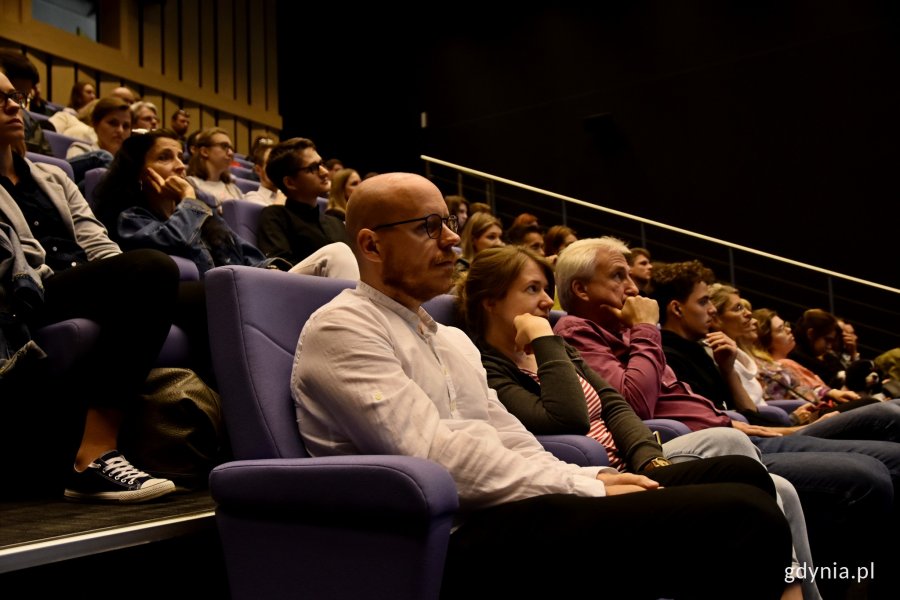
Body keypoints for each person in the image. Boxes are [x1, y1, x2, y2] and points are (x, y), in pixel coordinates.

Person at [292, 172, 793, 600]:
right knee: (743, 516)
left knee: (741, 475)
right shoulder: (344, 327)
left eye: (450, 223)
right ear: (371, 244)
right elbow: (431, 456)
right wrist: (579, 483)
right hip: (441, 534)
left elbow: (509, 436)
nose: (450, 239)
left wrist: (579, 479)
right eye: (429, 227)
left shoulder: (447, 339)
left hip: (508, 506)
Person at [461, 244, 813, 599]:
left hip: (632, 461)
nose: (546, 303)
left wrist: (648, 457)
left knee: (748, 472)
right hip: (589, 473)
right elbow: (567, 417)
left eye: (545, 290)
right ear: (491, 301)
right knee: (749, 509)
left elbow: (614, 404)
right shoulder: (493, 365)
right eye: (532, 289)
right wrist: (543, 339)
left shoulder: (560, 348)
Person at [552, 238, 898, 599]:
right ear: (581, 288)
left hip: (736, 433)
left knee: (883, 442)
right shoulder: (579, 332)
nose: (634, 287)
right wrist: (647, 330)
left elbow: (701, 406)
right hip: (701, 451)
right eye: (618, 276)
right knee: (869, 471)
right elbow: (633, 403)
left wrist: (752, 423)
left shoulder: (626, 332)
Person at [0, 72, 178, 503]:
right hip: (31, 292)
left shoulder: (53, 177)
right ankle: (93, 454)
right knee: (153, 268)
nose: (13, 106)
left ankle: (196, 446)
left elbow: (97, 241)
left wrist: (119, 284)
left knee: (210, 296)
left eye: (14, 96)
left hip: (82, 280)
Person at [93, 129, 283, 276]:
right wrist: (188, 197)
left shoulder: (201, 214)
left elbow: (243, 251)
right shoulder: (130, 218)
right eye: (164, 157)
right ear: (140, 173)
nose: (180, 166)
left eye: (180, 157)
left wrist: (271, 270)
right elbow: (173, 242)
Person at [256, 137, 358, 279]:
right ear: (290, 182)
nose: (324, 172)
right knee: (338, 251)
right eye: (312, 168)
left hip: (348, 293)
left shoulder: (336, 222)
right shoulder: (274, 216)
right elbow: (279, 268)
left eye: (321, 164)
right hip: (303, 293)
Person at [65, 96, 132, 184]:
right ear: (95, 124)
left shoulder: (130, 163)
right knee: (103, 157)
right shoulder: (81, 149)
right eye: (113, 123)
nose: (120, 130)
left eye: (126, 126)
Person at [0, 49, 53, 156]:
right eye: (1, 97)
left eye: (19, 97)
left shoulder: (31, 124)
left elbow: (49, 157)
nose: (15, 105)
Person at [185, 127, 244, 206]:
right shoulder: (190, 185)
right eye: (224, 146)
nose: (230, 153)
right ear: (205, 151)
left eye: (231, 148)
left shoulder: (234, 189)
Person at [454, 210, 503, 276]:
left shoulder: (499, 266)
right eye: (491, 237)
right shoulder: (461, 269)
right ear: (473, 240)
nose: (499, 243)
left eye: (500, 237)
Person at [243, 137, 285, 206]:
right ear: (258, 170)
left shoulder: (290, 195)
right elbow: (272, 216)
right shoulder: (253, 197)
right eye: (271, 163)